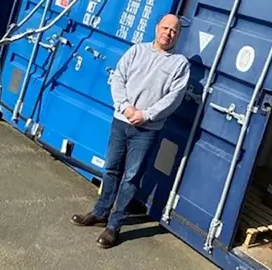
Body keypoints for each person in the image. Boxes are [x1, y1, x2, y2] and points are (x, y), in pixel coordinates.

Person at [70, 14, 190, 249]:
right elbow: (118, 78)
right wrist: (125, 107)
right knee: (112, 169)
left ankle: (114, 226)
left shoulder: (180, 64)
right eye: (165, 28)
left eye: (173, 31)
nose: (168, 33)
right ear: (157, 28)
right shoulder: (137, 50)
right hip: (121, 121)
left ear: (178, 35)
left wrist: (146, 115)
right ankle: (100, 212)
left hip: (147, 130)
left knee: (132, 177)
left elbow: (173, 99)